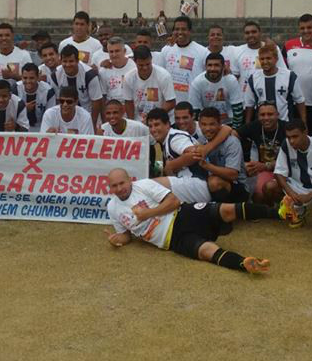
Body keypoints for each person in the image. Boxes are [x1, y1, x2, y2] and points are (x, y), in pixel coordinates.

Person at [104, 169, 273, 274]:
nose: (119, 188)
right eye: (114, 186)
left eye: (122, 183)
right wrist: (117, 240)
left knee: (226, 210)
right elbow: (126, 235)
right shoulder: (112, 207)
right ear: (110, 187)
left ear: (129, 180)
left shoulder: (144, 185)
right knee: (206, 252)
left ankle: (279, 213)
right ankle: (245, 264)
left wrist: (148, 213)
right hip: (171, 240)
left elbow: (174, 201)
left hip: (183, 214)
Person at [281, 14, 312, 137]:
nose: (306, 31)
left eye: (309, 27)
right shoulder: (288, 46)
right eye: (302, 28)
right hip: (294, 104)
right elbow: (282, 71)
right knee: (295, 138)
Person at [243, 43, 305, 125]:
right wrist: (248, 125)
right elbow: (249, 104)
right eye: (262, 59)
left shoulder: (290, 76)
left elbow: (300, 101)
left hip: (285, 124)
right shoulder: (253, 78)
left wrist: (304, 123)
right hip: (262, 125)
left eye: (268, 58)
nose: (265, 62)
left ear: (276, 59)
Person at [238, 102, 287, 205]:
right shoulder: (255, 126)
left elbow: (291, 159)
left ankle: (283, 205)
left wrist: (266, 166)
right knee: (258, 197)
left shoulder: (286, 128)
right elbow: (233, 134)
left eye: (270, 114)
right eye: (262, 115)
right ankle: (269, 209)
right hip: (263, 171)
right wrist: (243, 164)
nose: (266, 118)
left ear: (277, 115)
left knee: (270, 188)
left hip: (285, 171)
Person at [197, 107, 248, 202]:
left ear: (220, 124)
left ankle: (222, 212)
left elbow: (233, 175)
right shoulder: (200, 141)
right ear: (199, 125)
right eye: (204, 124)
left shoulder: (231, 142)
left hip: (237, 186)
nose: (208, 128)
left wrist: (207, 166)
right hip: (211, 183)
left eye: (212, 124)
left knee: (214, 182)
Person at [161, 15, 209, 104]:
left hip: (192, 104)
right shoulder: (165, 50)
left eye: (183, 29)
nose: (180, 32)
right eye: (177, 29)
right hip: (171, 106)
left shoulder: (202, 52)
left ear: (190, 31)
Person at [54, 45, 104, 129]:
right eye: (64, 61)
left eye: (71, 61)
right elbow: (57, 101)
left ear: (77, 61)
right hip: (67, 115)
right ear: (60, 61)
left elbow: (96, 101)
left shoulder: (89, 75)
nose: (67, 64)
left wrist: (92, 124)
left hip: (88, 113)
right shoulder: (55, 75)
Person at [188, 53, 244, 128]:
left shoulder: (231, 80)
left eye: (216, 65)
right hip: (207, 125)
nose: (212, 69)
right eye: (210, 65)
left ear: (223, 67)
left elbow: (238, 109)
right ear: (205, 66)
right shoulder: (197, 83)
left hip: (228, 123)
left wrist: (235, 130)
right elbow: (195, 111)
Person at [123, 45, 176, 123]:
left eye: (148, 64)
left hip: (161, 120)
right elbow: (128, 102)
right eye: (141, 65)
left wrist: (153, 116)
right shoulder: (128, 77)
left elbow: (171, 102)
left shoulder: (164, 76)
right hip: (139, 121)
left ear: (151, 59)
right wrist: (132, 123)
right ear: (135, 61)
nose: (145, 68)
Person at [17, 62, 55, 133]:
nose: (28, 81)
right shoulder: (15, 89)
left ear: (38, 77)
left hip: (42, 127)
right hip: (21, 128)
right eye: (25, 78)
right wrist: (23, 109)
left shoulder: (48, 91)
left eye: (31, 78)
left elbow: (51, 115)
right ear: (21, 77)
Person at [96, 36, 136, 103]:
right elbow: (103, 95)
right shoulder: (103, 70)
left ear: (124, 51)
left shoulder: (134, 67)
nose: (114, 54)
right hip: (112, 109)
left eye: (117, 51)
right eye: (111, 52)